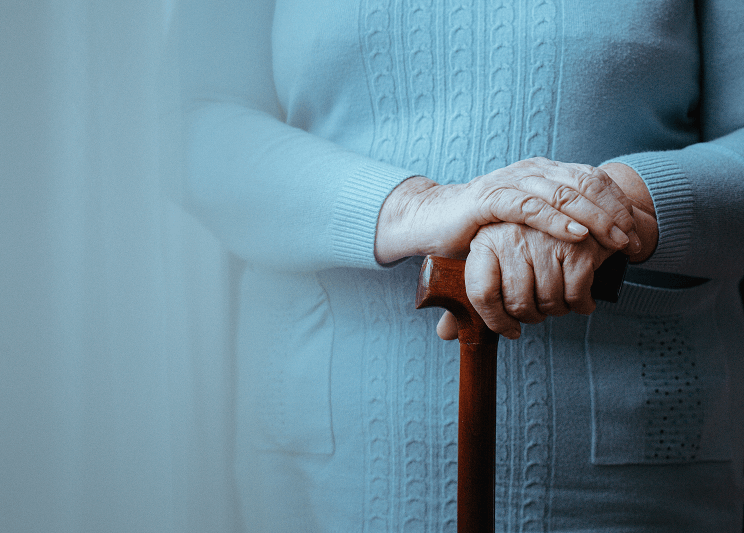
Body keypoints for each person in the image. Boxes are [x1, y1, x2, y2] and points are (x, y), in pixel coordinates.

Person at [177, 0, 744, 530]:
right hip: (322, 461)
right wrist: (416, 206)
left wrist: (612, 204)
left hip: (638, 473)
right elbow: (188, 122)